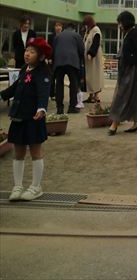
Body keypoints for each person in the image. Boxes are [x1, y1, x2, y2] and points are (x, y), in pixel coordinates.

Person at [1, 37, 52, 202]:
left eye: (32, 52)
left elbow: (44, 92)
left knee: (35, 152)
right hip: (18, 117)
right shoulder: (24, 69)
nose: (27, 54)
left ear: (41, 56)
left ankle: (36, 187)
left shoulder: (43, 73)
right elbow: (14, 88)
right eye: (27, 50)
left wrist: (42, 108)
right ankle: (17, 186)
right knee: (18, 153)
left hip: (34, 118)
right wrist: (1, 95)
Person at [107, 11, 137, 135]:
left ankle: (115, 123)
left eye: (120, 23)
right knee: (133, 95)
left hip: (132, 70)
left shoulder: (135, 34)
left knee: (122, 94)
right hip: (128, 68)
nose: (119, 26)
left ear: (126, 22)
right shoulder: (129, 33)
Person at [53, 23, 84, 114]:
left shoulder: (58, 36)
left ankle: (59, 108)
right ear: (74, 29)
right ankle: (72, 107)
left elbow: (53, 49)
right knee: (73, 84)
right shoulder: (76, 35)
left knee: (59, 84)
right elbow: (82, 50)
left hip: (59, 62)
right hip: (72, 62)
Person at [82, 15, 104, 103]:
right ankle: (91, 95)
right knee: (89, 77)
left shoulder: (96, 30)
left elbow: (96, 42)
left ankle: (96, 96)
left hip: (94, 59)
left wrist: (91, 53)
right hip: (88, 60)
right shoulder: (88, 31)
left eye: (86, 24)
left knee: (95, 76)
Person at [47, 21, 63, 99]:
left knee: (60, 78)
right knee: (52, 77)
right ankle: (52, 94)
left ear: (62, 27)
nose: (58, 27)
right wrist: (49, 58)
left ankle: (59, 94)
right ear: (54, 27)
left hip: (61, 60)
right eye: (56, 26)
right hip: (52, 60)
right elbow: (48, 48)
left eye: (59, 26)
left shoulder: (64, 36)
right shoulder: (51, 36)